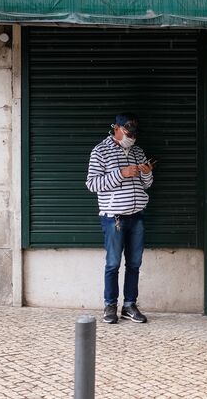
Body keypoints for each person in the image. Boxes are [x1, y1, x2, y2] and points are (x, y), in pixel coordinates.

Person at [86, 113, 154, 324]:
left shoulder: (138, 151)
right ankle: (109, 305)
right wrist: (121, 174)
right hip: (113, 218)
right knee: (113, 263)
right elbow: (92, 184)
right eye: (127, 133)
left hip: (137, 216)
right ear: (116, 128)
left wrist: (146, 172)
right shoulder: (100, 151)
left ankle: (129, 305)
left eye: (134, 134)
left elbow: (147, 185)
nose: (131, 137)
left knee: (134, 263)